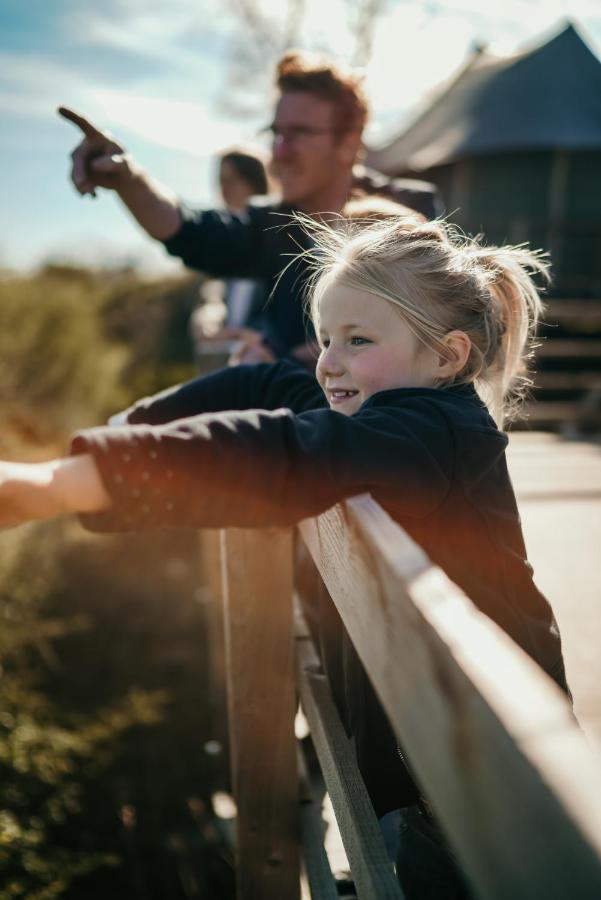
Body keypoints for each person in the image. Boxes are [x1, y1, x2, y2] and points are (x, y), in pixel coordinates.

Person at [0, 215, 569, 898]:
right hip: (421, 755)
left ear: (446, 357)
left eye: (357, 341)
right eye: (326, 337)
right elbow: (266, 388)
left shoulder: (437, 430)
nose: (328, 361)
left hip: (483, 780)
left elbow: (284, 451)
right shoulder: (387, 408)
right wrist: (117, 434)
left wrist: (67, 487)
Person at [59, 51, 440, 366]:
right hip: (287, 439)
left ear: (348, 141)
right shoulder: (271, 225)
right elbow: (189, 231)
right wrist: (128, 177)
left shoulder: (408, 211)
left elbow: (428, 331)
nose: (279, 152)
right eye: (276, 133)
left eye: (299, 134)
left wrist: (283, 356)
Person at [192, 149, 271, 357]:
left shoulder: (277, 236)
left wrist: (243, 334)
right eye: (220, 180)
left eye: (233, 180)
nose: (224, 188)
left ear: (254, 181)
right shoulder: (222, 244)